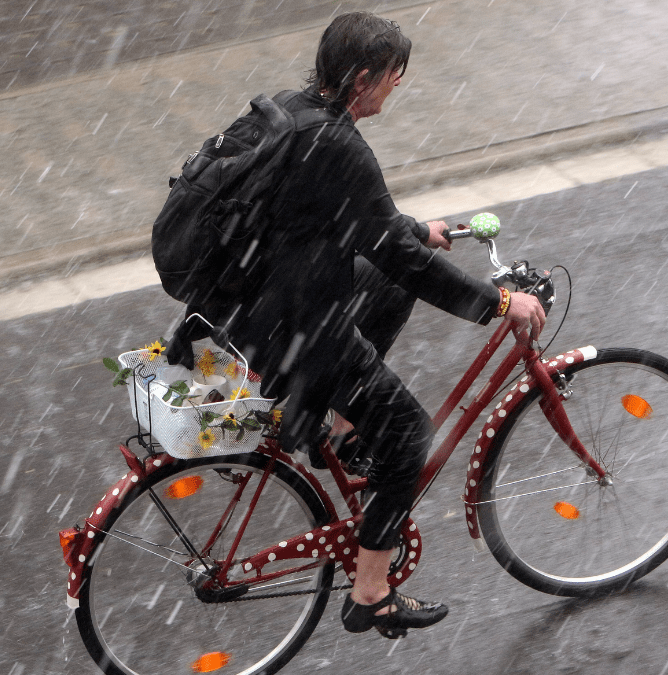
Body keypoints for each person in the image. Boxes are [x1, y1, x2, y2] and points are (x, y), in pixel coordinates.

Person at [178, 11, 545, 637]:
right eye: (394, 77)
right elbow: (397, 257)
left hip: (246, 303)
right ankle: (371, 594)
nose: (396, 88)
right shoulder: (342, 145)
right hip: (291, 322)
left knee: (389, 279)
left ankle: (347, 430)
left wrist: (415, 230)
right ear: (365, 78)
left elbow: (359, 222)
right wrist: (498, 303)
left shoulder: (294, 112)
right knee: (407, 434)